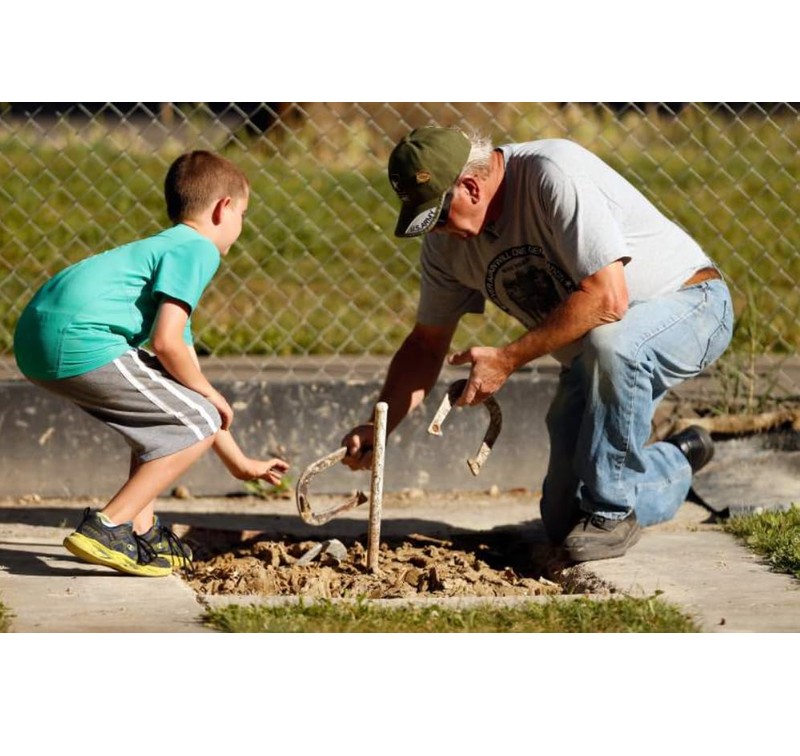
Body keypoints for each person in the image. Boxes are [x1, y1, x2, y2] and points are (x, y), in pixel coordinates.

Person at [341, 127, 733, 562]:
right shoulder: (445, 248)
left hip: (690, 304)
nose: (439, 231)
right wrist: (379, 428)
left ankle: (612, 512)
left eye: (440, 216)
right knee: (563, 519)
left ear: (470, 187)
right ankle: (676, 460)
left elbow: (608, 298)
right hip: (596, 353)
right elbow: (425, 346)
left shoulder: (551, 173)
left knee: (614, 345)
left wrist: (507, 359)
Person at [13, 150, 289, 577]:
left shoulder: (166, 252)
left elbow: (182, 382)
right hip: (79, 340)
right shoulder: (198, 249)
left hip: (40, 341)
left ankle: (143, 532)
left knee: (169, 419)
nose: (241, 226)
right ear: (224, 208)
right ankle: (110, 524)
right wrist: (214, 398)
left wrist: (240, 462)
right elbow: (167, 345)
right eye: (244, 214)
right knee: (188, 420)